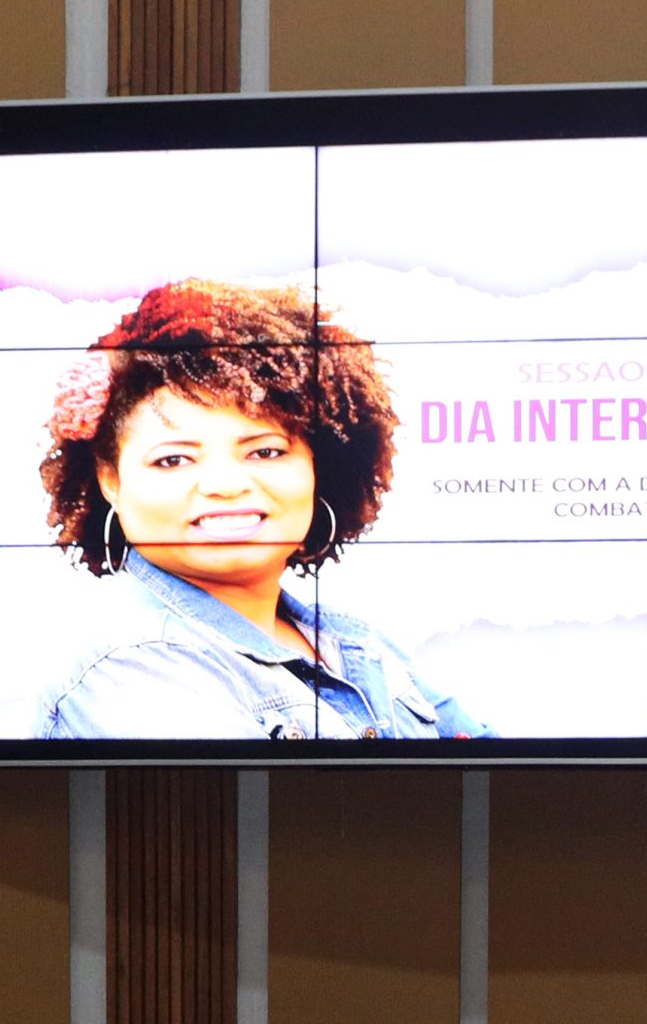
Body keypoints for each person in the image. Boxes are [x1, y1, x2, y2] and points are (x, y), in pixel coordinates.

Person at [26, 279, 488, 743]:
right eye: (174, 459)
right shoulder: (129, 664)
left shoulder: (357, 643)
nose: (226, 486)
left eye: (265, 452)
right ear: (111, 480)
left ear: (317, 465)